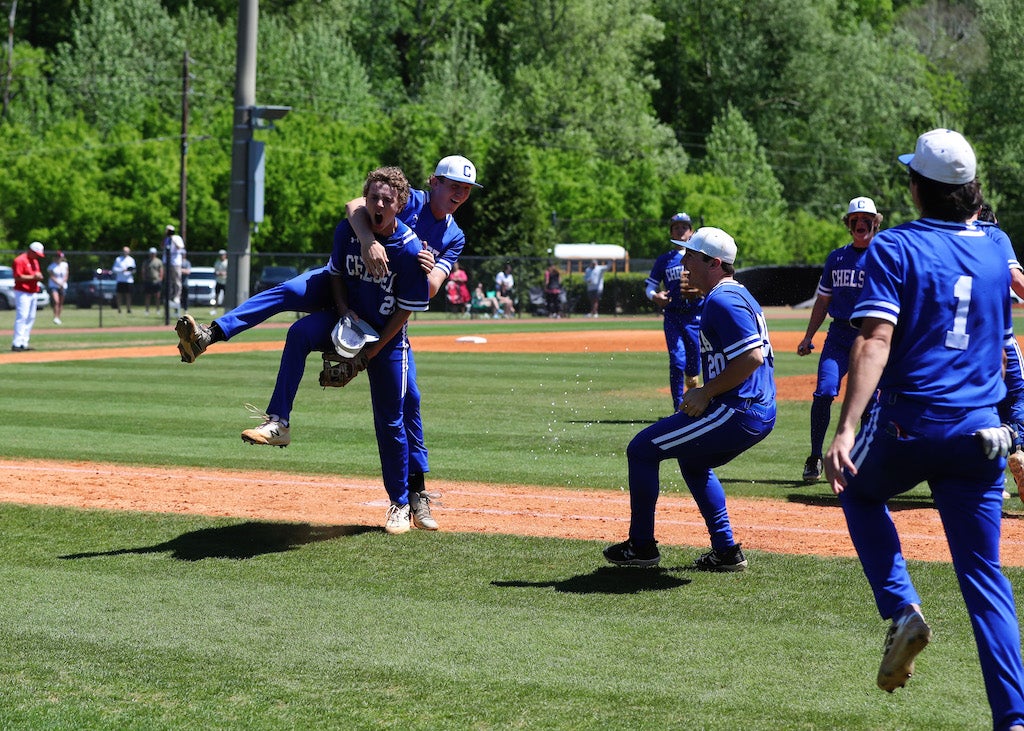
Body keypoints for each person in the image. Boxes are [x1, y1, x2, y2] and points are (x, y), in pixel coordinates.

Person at [823, 129, 1024, 726]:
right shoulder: (993, 250)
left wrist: (847, 425)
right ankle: (1013, 718)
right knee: (986, 580)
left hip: (914, 423)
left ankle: (902, 607)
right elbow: (1006, 340)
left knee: (859, 494)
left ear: (916, 190)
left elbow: (875, 340)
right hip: (982, 435)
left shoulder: (894, 249)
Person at [176, 155, 480, 531]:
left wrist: (423, 262)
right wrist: (368, 240)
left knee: (408, 401)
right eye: (454, 186)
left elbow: (428, 289)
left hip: (385, 313)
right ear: (434, 182)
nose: (460, 194)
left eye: (466, 190)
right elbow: (354, 206)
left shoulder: (452, 235)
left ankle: (412, 494)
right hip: (349, 289)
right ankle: (211, 335)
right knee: (287, 293)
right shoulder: (407, 197)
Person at [239, 167, 431, 535]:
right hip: (350, 324)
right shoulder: (349, 232)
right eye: (373, 196)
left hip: (388, 340)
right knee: (298, 332)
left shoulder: (409, 250)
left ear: (400, 205)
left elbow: (406, 310)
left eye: (387, 200)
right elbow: (337, 276)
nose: (378, 204)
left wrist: (369, 355)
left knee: (390, 421)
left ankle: (400, 504)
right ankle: (279, 421)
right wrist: (343, 314)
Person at [604, 227, 775, 571]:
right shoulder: (736, 294)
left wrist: (705, 391)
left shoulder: (722, 299)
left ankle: (641, 547)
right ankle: (726, 551)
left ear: (713, 263)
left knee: (641, 449)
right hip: (752, 409)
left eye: (691, 256)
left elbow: (752, 357)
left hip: (737, 409)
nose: (683, 263)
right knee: (693, 461)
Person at [796, 196, 883, 482]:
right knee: (824, 392)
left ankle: (860, 460)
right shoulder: (837, 258)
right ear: (848, 224)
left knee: (870, 404)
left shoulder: (884, 257)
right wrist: (809, 336)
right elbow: (822, 301)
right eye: (855, 220)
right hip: (839, 336)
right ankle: (814, 457)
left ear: (875, 223)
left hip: (871, 336)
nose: (861, 224)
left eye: (867, 220)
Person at [646, 212, 704, 411]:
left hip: (697, 316)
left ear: (691, 231)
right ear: (671, 232)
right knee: (677, 360)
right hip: (673, 316)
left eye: (684, 227)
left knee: (694, 363)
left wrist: (702, 290)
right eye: (676, 227)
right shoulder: (665, 260)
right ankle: (678, 407)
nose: (680, 230)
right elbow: (650, 287)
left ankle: (693, 389)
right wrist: (655, 296)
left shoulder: (700, 257)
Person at [11, 241, 46, 351]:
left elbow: (37, 274)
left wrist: (39, 276)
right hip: (22, 292)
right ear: (31, 251)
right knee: (22, 316)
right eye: (36, 254)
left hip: (33, 292)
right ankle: (16, 343)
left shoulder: (35, 261)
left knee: (31, 317)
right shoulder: (19, 260)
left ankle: (24, 343)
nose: (37, 256)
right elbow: (17, 277)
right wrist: (33, 277)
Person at [164, 226, 185, 312]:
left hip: (175, 263)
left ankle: (177, 297)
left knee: (177, 280)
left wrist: (172, 239)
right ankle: (170, 296)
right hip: (167, 262)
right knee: (169, 281)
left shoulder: (177, 238)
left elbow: (180, 247)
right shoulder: (166, 239)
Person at [47, 251, 69, 325]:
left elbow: (66, 275)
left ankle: (58, 317)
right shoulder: (51, 266)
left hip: (63, 285)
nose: (60, 258)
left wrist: (63, 283)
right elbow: (52, 276)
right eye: (58, 257)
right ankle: (55, 317)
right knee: (56, 301)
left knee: (61, 303)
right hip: (54, 286)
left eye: (61, 257)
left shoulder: (65, 265)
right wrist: (58, 283)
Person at [112, 246, 136, 314]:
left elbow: (134, 270)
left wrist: (130, 271)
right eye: (124, 251)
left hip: (129, 280)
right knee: (119, 295)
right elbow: (114, 269)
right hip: (120, 280)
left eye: (127, 251)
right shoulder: (118, 259)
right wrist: (122, 270)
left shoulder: (131, 260)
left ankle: (128, 309)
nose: (125, 252)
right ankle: (119, 309)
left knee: (128, 295)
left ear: (129, 252)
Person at [143, 247, 164, 313]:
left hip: (156, 281)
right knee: (147, 296)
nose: (152, 254)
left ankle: (158, 310)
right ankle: (147, 310)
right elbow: (143, 271)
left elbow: (161, 271)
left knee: (157, 296)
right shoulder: (146, 262)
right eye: (151, 253)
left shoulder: (159, 261)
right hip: (148, 281)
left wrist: (160, 279)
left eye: (153, 253)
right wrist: (144, 279)